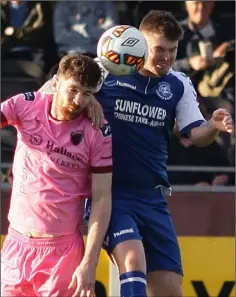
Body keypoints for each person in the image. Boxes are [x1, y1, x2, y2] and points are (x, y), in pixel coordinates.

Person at [40, 11, 234, 297]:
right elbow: (49, 95)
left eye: (172, 50)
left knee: (169, 289)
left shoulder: (178, 84)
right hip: (109, 194)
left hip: (152, 197)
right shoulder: (102, 71)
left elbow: (197, 135)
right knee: (132, 259)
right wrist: (86, 97)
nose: (166, 57)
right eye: (159, 50)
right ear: (139, 44)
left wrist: (213, 126)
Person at [0, 54, 113, 297]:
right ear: (56, 83)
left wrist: (90, 262)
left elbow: (102, 199)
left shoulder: (98, 131)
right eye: (72, 90)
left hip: (61, 252)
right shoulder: (26, 105)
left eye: (86, 94)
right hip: (15, 244)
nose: (77, 100)